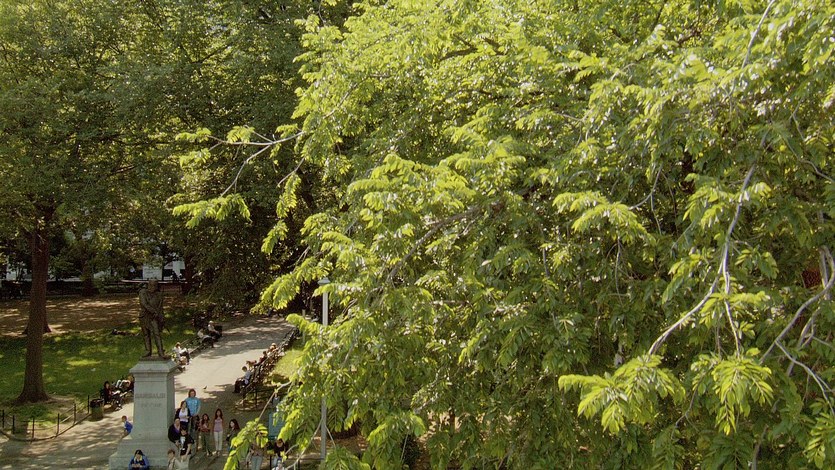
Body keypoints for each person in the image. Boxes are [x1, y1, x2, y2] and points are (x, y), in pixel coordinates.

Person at [138, 279, 165, 358]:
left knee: (157, 334)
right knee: (146, 334)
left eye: (154, 285)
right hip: (144, 316)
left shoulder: (159, 295)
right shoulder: (143, 292)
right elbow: (144, 304)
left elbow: (160, 308)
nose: (151, 287)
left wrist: (162, 317)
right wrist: (153, 311)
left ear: (156, 286)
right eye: (150, 285)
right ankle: (148, 351)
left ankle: (161, 352)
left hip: (154, 318)